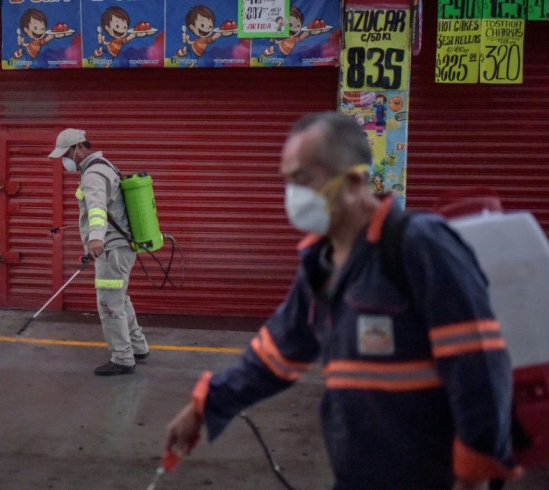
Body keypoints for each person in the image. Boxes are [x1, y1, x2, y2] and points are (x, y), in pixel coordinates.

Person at [164, 112, 523, 489]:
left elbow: (478, 364)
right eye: (287, 181)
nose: (292, 195)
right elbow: (274, 356)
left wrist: (474, 474)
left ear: (353, 181)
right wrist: (203, 406)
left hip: (432, 476)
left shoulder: (419, 245)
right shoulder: (318, 264)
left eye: (302, 179)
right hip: (358, 474)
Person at [48, 128, 149, 376]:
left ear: (79, 147)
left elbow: (96, 209)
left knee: (108, 302)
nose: (65, 160)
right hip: (122, 247)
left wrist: (94, 240)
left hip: (111, 249)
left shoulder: (92, 174)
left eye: (66, 154)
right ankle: (138, 347)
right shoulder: (106, 165)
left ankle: (123, 359)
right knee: (120, 298)